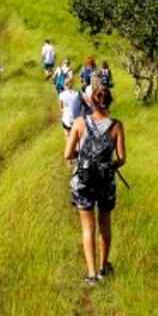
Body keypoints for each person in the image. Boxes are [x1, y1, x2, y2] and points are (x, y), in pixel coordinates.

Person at [64, 86, 126, 285]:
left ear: (90, 101)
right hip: (105, 182)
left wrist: (82, 158)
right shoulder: (117, 126)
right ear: (109, 102)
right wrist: (107, 165)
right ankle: (103, 269)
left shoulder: (79, 123)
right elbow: (122, 158)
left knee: (87, 228)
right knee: (105, 224)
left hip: (83, 182)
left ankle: (91, 275)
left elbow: (67, 154)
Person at [58, 72, 83, 151]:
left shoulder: (61, 95)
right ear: (72, 84)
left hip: (67, 119)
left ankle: (69, 159)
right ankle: (78, 153)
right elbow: (81, 106)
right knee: (78, 138)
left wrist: (65, 112)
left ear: (64, 85)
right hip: (77, 119)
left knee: (67, 137)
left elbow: (61, 108)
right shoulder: (78, 94)